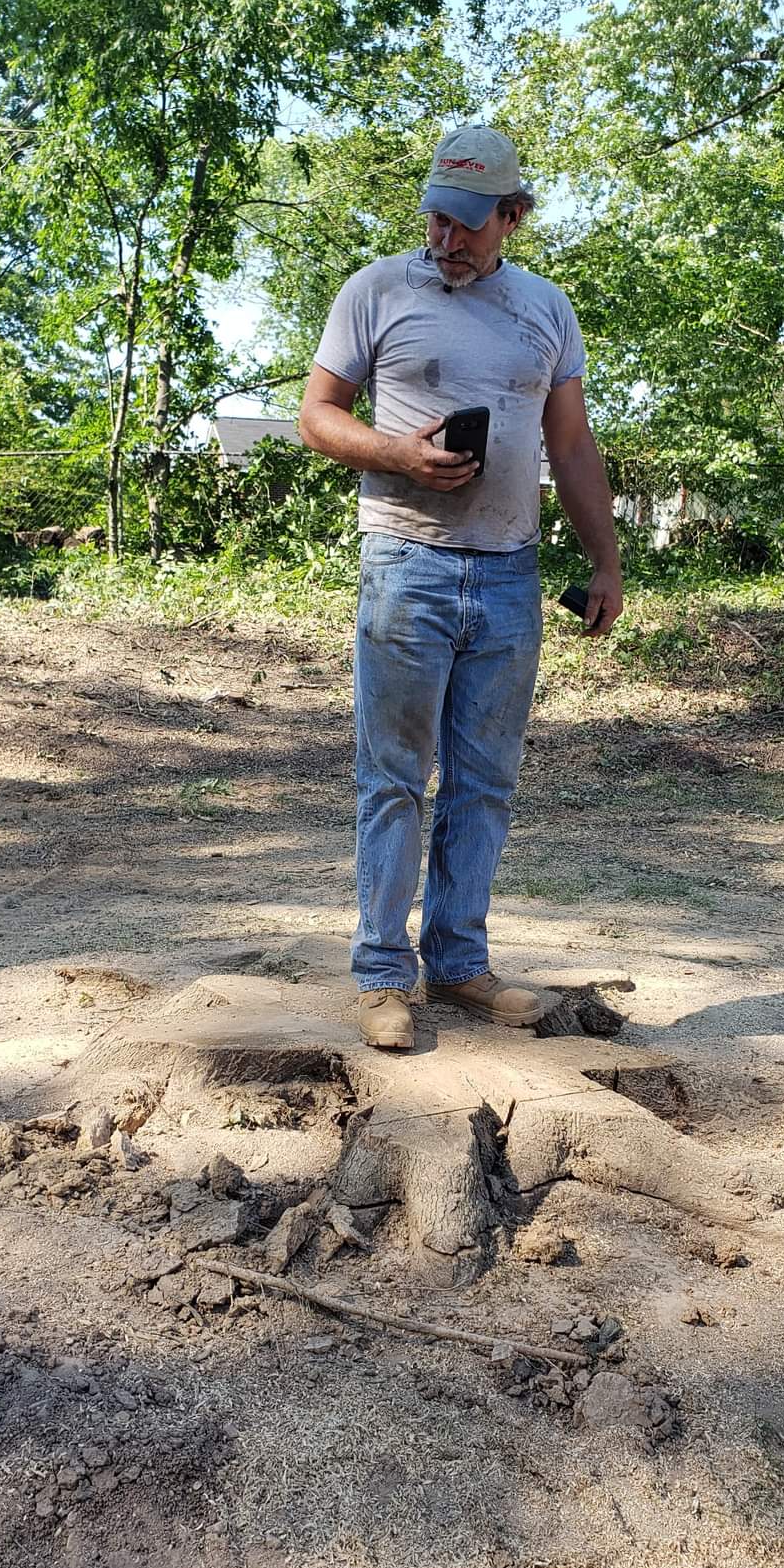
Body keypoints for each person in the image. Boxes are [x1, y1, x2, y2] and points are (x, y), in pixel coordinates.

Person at [299, 123, 623, 1051]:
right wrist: (395, 452)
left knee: (483, 783)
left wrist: (605, 562)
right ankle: (380, 975)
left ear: (512, 217)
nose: (447, 240)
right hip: (407, 564)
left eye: (469, 225)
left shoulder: (546, 311)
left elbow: (571, 445)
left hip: (511, 576)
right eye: (436, 220)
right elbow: (317, 415)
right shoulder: (376, 291)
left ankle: (461, 963)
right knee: (394, 779)